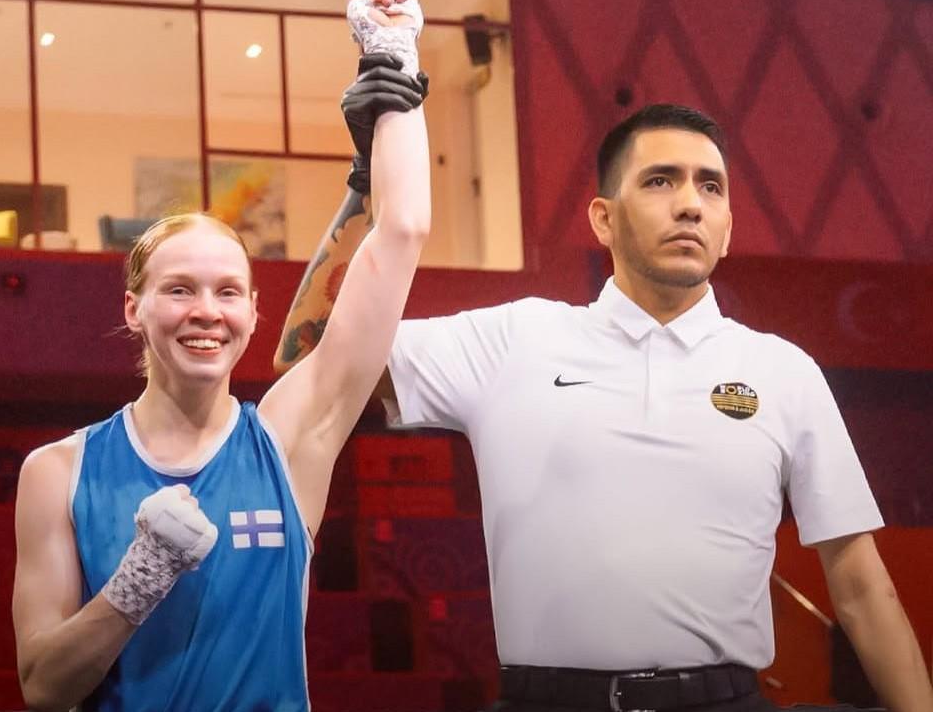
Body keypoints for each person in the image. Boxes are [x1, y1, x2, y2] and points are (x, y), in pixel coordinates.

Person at [275, 104, 933, 712]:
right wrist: (365, 188)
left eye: (711, 187)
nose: (690, 204)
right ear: (603, 219)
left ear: (729, 228)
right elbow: (308, 354)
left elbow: (861, 588)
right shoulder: (515, 339)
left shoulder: (784, 371)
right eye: (660, 181)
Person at [11, 0, 429, 712]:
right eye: (180, 290)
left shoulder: (290, 439)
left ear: (254, 313)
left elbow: (401, 233)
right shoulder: (58, 473)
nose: (206, 312)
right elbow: (43, 688)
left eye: (228, 292)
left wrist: (392, 57)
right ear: (135, 309)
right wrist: (137, 583)